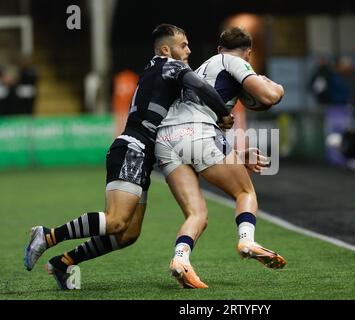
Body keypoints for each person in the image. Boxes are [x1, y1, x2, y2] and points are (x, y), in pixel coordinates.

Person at [23, 23, 233, 289]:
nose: (189, 50)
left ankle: (63, 263)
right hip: (133, 147)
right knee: (116, 221)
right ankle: (47, 236)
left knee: (127, 234)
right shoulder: (171, 66)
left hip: (139, 154)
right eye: (184, 45)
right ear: (166, 49)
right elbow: (200, 86)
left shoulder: (155, 70)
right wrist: (223, 112)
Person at [155, 27, 286, 289]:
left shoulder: (204, 66)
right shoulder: (235, 62)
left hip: (166, 138)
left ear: (218, 48)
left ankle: (181, 259)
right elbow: (270, 96)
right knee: (244, 191)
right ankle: (247, 240)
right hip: (199, 134)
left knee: (197, 213)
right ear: (248, 53)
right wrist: (274, 85)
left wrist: (236, 155)